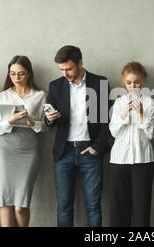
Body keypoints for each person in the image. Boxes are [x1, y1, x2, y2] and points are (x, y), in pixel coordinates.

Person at [44, 45, 111, 227]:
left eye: (69, 68)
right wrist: (49, 118)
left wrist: (98, 147)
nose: (65, 73)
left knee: (94, 206)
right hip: (63, 152)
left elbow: (107, 120)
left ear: (80, 63)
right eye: (62, 69)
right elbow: (48, 120)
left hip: (90, 152)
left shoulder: (100, 83)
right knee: (64, 206)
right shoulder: (55, 86)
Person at [0, 55, 48, 227]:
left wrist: (31, 122)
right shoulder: (2, 96)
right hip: (4, 151)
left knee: (20, 207)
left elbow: (47, 126)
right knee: (5, 204)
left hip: (29, 151)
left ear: (29, 74)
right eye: (12, 74)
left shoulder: (41, 95)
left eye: (21, 74)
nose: (16, 78)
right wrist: (11, 120)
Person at [109, 62, 154, 227]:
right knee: (118, 210)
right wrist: (123, 115)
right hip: (119, 161)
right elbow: (114, 132)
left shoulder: (150, 103)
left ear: (142, 82)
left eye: (137, 82)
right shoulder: (118, 103)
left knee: (141, 208)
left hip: (142, 160)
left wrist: (142, 114)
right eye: (129, 82)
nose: (133, 86)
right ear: (124, 82)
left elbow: (152, 134)